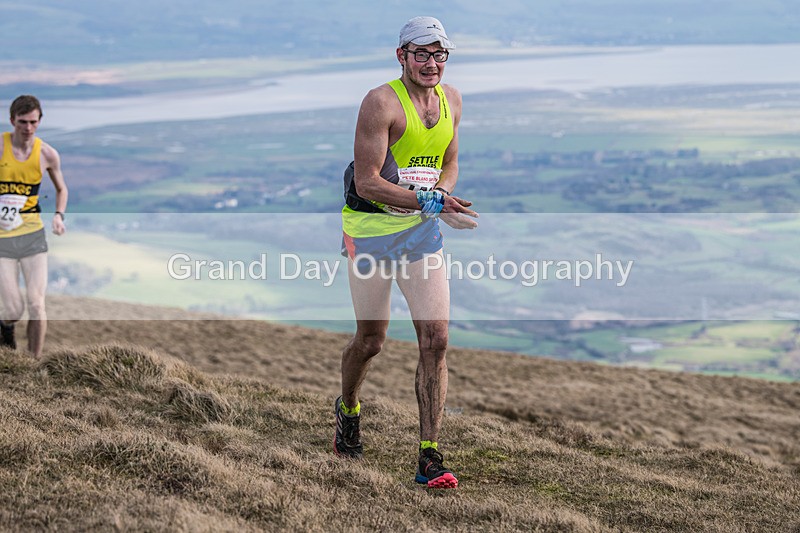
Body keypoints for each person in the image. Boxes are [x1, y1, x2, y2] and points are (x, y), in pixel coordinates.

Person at [334, 16, 478, 489]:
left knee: (436, 340)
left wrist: (442, 196)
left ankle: (429, 457)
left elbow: (449, 162)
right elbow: (366, 180)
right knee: (371, 342)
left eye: (440, 54)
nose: (432, 63)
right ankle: (349, 408)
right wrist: (431, 201)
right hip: (372, 231)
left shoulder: (452, 99)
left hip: (419, 233)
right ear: (402, 57)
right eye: (422, 54)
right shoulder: (380, 103)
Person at [0, 95, 68, 358]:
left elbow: (61, 189)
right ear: (11, 121)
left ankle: (34, 361)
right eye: (22, 122)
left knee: (37, 304)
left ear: (39, 121)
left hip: (32, 236)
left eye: (33, 122)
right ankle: (6, 329)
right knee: (13, 309)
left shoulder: (47, 154)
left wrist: (59, 215)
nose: (28, 128)